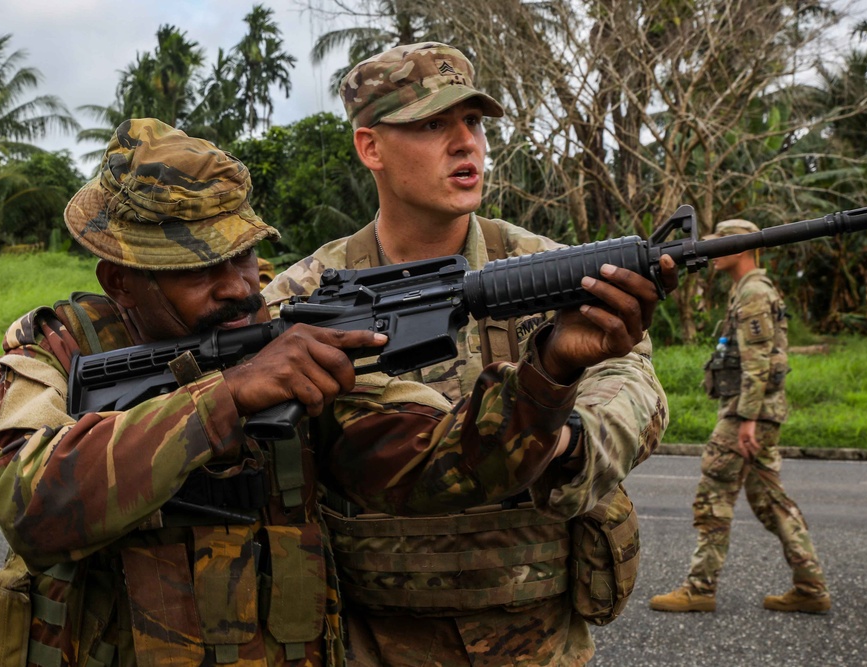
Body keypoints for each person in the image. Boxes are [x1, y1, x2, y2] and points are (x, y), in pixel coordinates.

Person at [0, 118, 649, 666]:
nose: (242, 285)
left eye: (244, 254)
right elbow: (30, 500)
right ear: (121, 281)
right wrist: (227, 398)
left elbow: (444, 465)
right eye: (204, 268)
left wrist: (552, 370)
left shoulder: (280, 347)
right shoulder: (57, 353)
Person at [264, 42, 677, 666]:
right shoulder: (304, 295)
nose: (467, 144)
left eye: (474, 123)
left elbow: (633, 381)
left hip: (532, 633)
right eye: (433, 125)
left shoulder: (543, 269)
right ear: (370, 147)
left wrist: (565, 437)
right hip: (367, 634)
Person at [648, 218, 831, 615]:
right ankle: (810, 584)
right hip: (756, 412)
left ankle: (700, 587)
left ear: (743, 247)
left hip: (747, 414)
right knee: (770, 501)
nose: (710, 252)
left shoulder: (753, 292)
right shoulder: (745, 290)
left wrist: (746, 418)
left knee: (713, 495)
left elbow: (759, 362)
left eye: (719, 244)